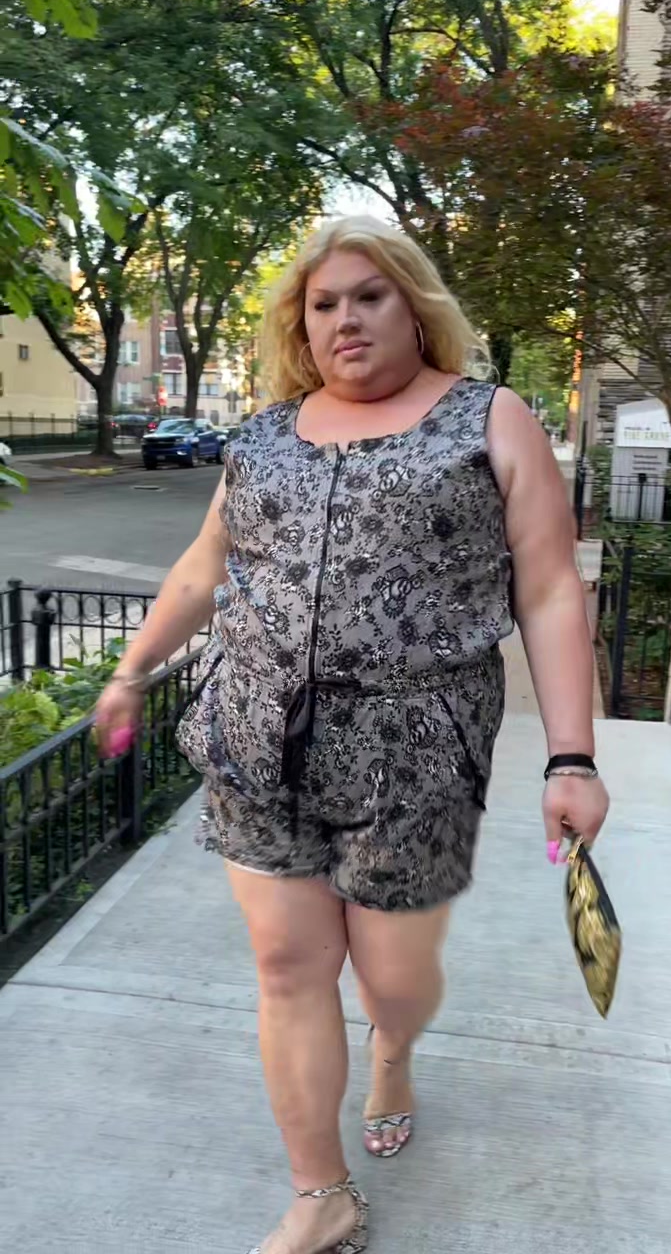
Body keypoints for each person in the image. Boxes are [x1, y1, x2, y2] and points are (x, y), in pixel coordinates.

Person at [95, 215, 610, 1254]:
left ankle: (394, 1048)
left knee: (392, 979)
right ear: (301, 323)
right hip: (257, 736)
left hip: (417, 753)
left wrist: (572, 756)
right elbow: (203, 566)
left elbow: (552, 589)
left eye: (368, 296)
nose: (346, 320)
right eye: (323, 304)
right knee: (288, 964)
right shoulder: (263, 436)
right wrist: (130, 670)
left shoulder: (487, 419)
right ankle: (319, 1192)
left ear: (414, 307)